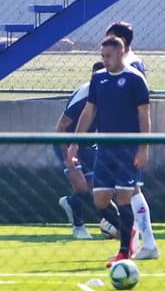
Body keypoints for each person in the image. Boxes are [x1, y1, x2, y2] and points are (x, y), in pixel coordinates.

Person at [71, 35, 150, 266]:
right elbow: (88, 111)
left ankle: (124, 251)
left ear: (121, 53)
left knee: (124, 197)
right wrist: (75, 142)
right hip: (104, 150)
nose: (105, 60)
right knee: (100, 200)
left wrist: (143, 148)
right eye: (102, 56)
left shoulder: (135, 79)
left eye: (109, 56)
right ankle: (129, 231)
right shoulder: (98, 79)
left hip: (128, 149)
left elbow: (144, 115)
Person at [104, 21, 159, 259]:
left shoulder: (131, 65)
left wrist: (141, 145)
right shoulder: (126, 64)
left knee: (132, 191)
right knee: (127, 192)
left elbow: (139, 108)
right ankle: (134, 243)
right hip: (118, 142)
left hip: (128, 142)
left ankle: (147, 243)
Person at [55, 61, 105, 240]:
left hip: (88, 144)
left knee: (95, 189)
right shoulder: (85, 98)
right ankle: (78, 227)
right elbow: (61, 126)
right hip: (68, 143)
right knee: (82, 188)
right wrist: (67, 156)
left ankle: (70, 202)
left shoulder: (109, 93)